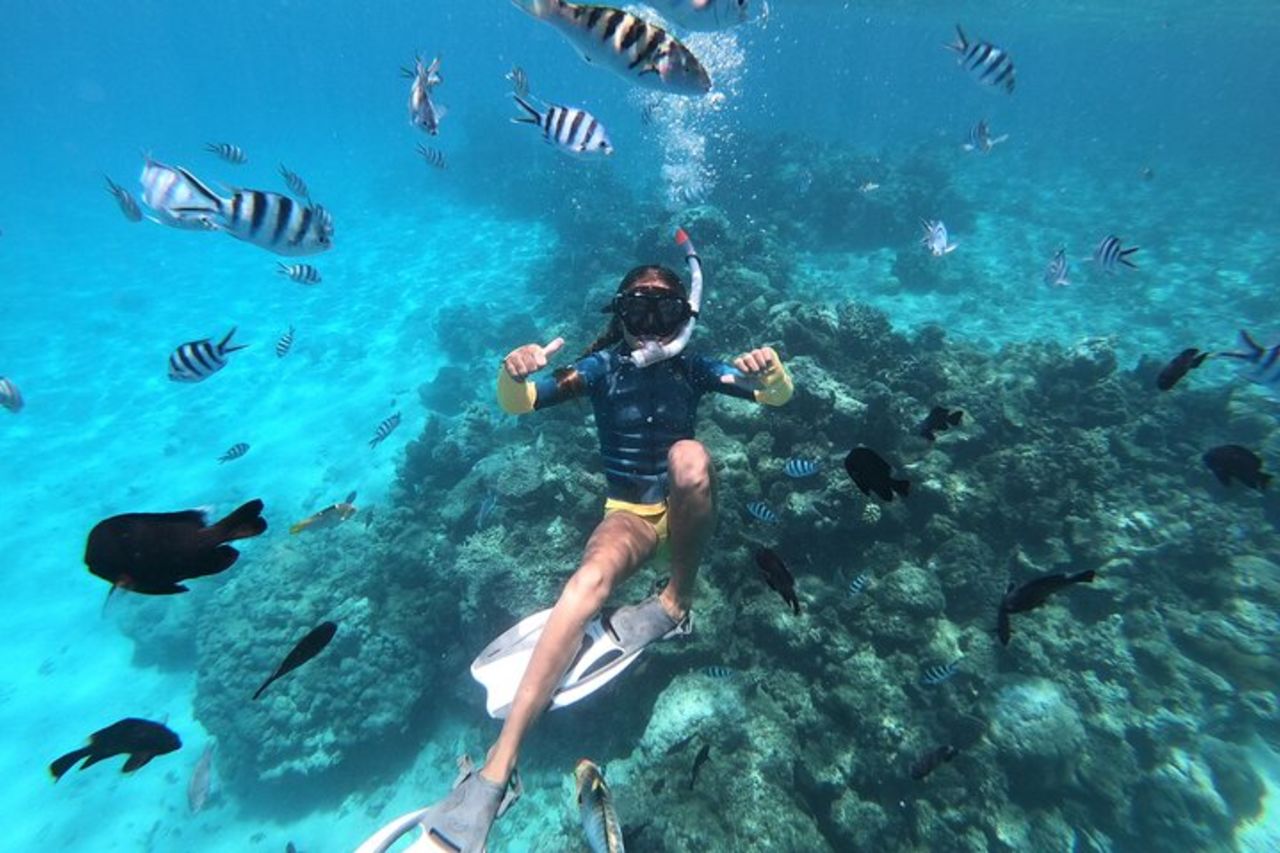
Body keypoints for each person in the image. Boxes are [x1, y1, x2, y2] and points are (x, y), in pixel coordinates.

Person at [358, 232, 793, 853]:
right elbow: (522, 403)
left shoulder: (694, 366)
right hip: (632, 519)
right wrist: (512, 373)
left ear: (683, 316)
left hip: (685, 515)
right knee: (584, 586)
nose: (650, 326)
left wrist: (774, 371)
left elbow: (773, 396)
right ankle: (495, 774)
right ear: (620, 315)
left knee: (691, 457)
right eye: (638, 310)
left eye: (664, 311)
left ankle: (676, 602)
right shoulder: (601, 368)